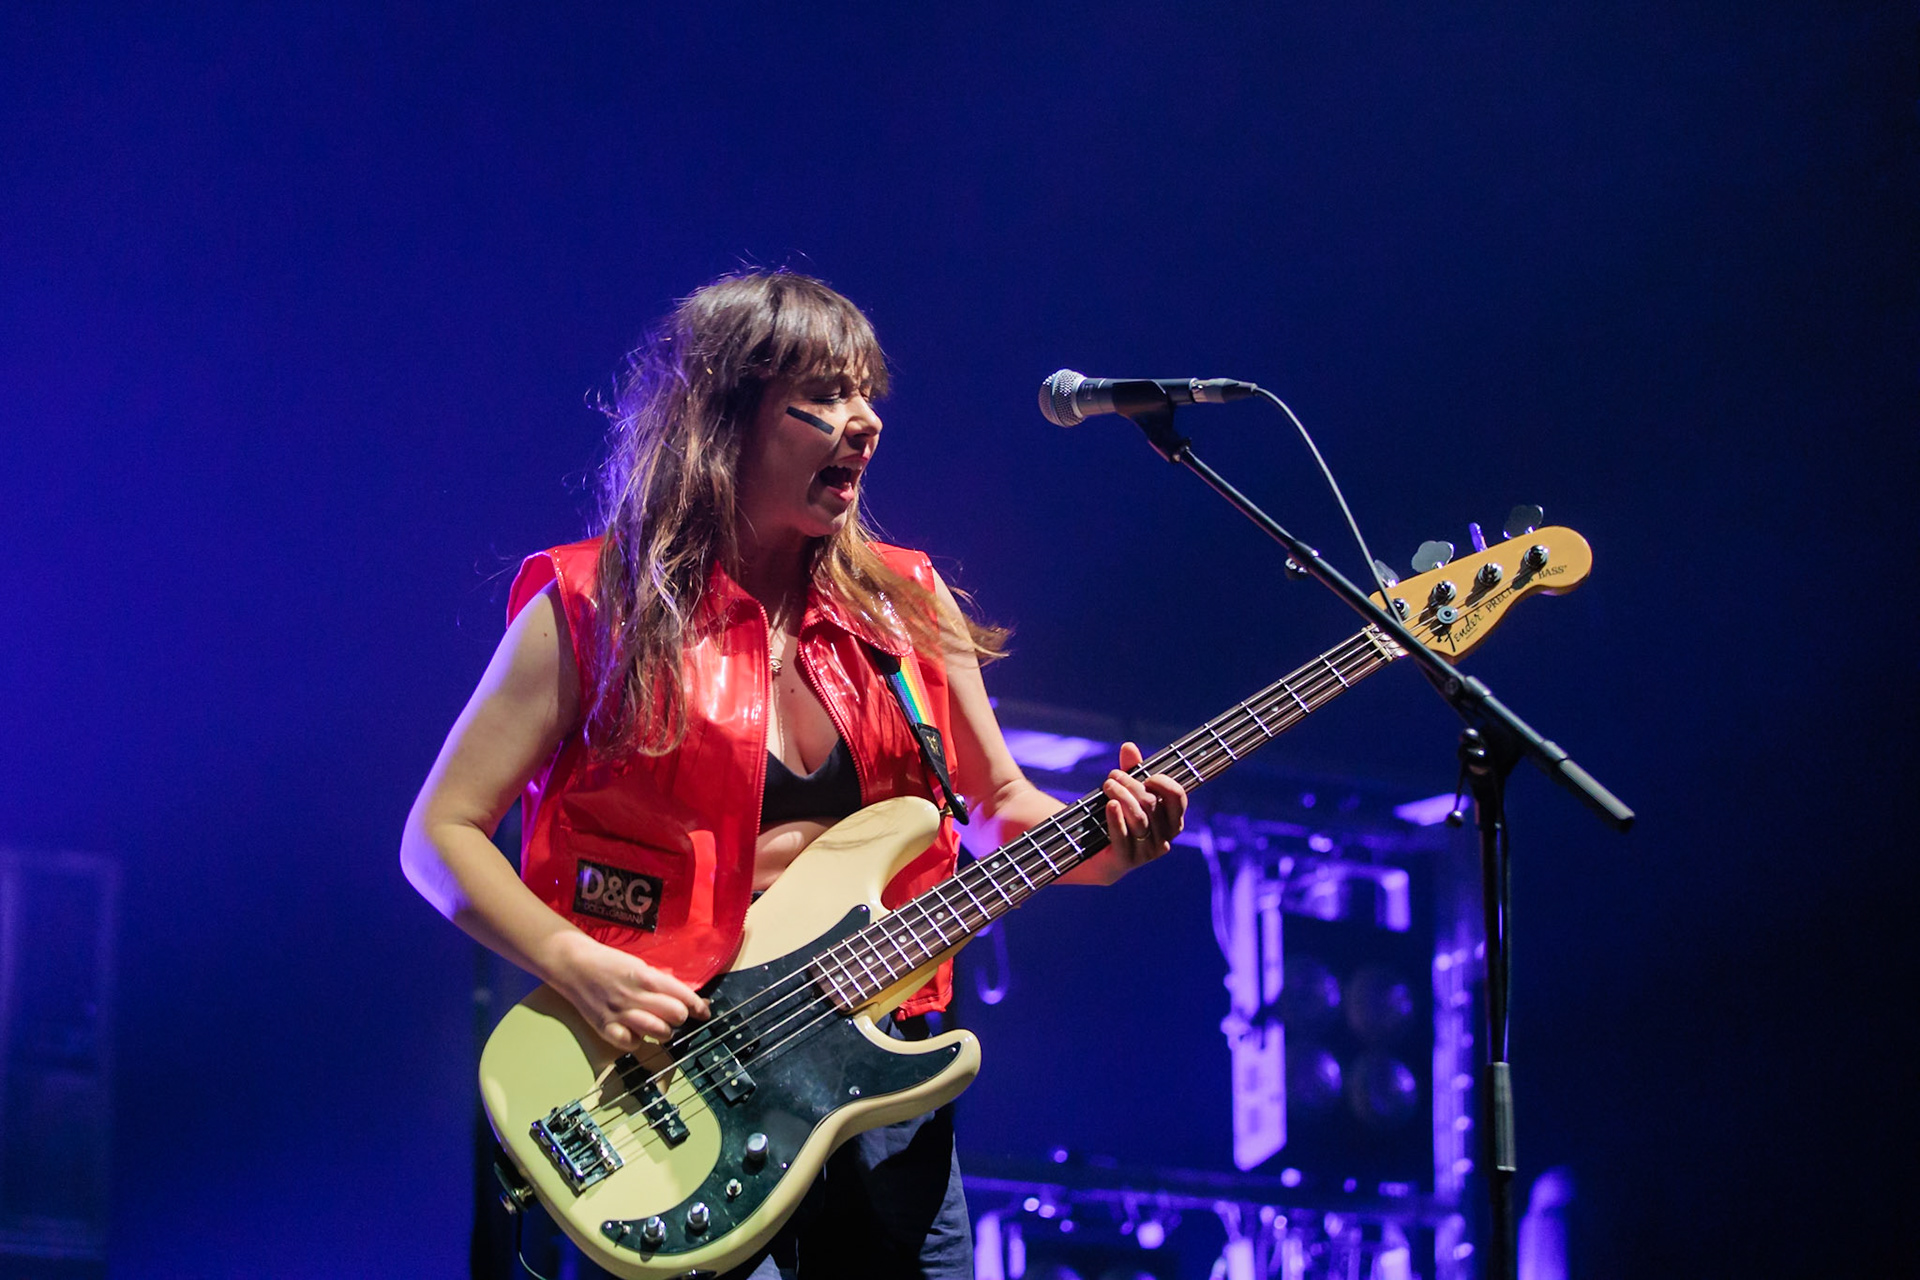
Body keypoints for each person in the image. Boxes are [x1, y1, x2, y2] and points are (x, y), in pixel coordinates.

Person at [401, 270, 1187, 1279]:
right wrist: (578, 963)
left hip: (882, 1084)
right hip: (674, 1086)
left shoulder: (905, 605)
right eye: (821, 398)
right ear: (720, 422)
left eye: (866, 395)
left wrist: (1107, 841)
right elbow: (441, 833)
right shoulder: (593, 603)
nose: (862, 424)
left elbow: (993, 808)